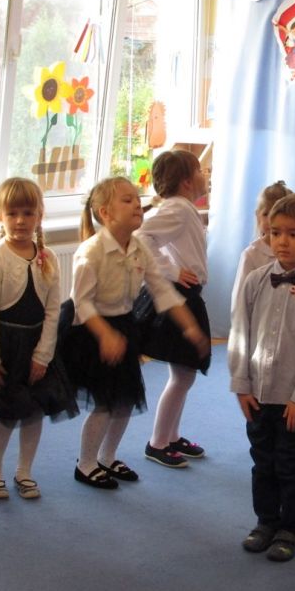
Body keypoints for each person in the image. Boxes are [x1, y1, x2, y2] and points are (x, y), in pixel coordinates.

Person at [61, 176, 208, 489]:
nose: (137, 205)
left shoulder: (139, 247)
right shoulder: (91, 252)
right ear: (105, 213)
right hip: (93, 330)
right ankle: (86, 464)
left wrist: (189, 325)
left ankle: (107, 456)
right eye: (126, 200)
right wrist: (105, 335)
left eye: (136, 199)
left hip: (124, 326)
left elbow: (162, 291)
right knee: (105, 402)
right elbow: (81, 303)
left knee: (125, 400)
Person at [229, 192, 295, 562]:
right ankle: (265, 521)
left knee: (291, 464)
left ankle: (290, 529)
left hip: (293, 400)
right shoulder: (255, 280)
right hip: (258, 394)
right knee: (262, 462)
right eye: (276, 233)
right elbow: (239, 333)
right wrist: (241, 385)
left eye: (293, 234)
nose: (282, 241)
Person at [0, 178, 77, 501]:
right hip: (5, 348)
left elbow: (53, 311)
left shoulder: (48, 259)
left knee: (35, 411)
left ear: (40, 215)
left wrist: (43, 355)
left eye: (28, 213)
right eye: (12, 213)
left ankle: (24, 472)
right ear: (0, 215)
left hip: (36, 348)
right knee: (9, 415)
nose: (21, 221)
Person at [136, 150, 212, 468]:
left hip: (186, 293)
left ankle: (170, 435)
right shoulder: (178, 208)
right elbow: (140, 235)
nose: (205, 174)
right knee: (182, 377)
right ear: (186, 182)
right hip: (179, 296)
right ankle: (157, 442)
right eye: (200, 170)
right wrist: (171, 269)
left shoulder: (182, 208)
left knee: (183, 375)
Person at [230, 180, 292, 310]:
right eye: (266, 214)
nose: (271, 220)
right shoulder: (251, 255)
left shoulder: (294, 252)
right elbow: (240, 300)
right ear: (258, 216)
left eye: (278, 214)